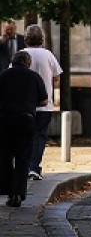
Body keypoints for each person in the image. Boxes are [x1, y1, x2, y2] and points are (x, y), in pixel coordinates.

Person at [0, 52, 47, 207]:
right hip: (25, 120)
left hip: (5, 120)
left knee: (5, 156)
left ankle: (7, 189)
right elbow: (44, 100)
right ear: (28, 63)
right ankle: (18, 194)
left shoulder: (3, 75)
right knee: (23, 157)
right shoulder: (34, 77)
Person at [22, 25, 61, 182]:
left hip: (25, 104)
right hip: (45, 105)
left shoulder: (22, 54)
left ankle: (25, 167)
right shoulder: (48, 55)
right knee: (40, 136)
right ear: (42, 40)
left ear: (25, 40)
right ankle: (34, 167)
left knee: (25, 136)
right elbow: (57, 77)